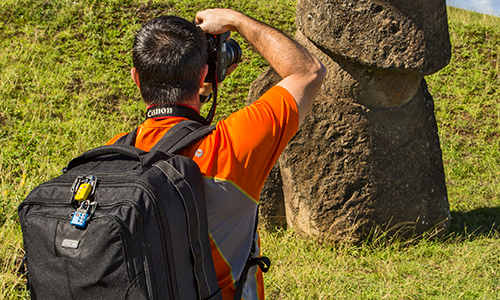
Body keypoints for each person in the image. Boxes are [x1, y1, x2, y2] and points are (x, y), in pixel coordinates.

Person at [107, 8, 326, 300]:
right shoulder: (232, 146)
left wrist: (201, 92)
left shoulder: (113, 155)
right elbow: (308, 71)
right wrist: (237, 20)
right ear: (203, 74)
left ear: (136, 79)